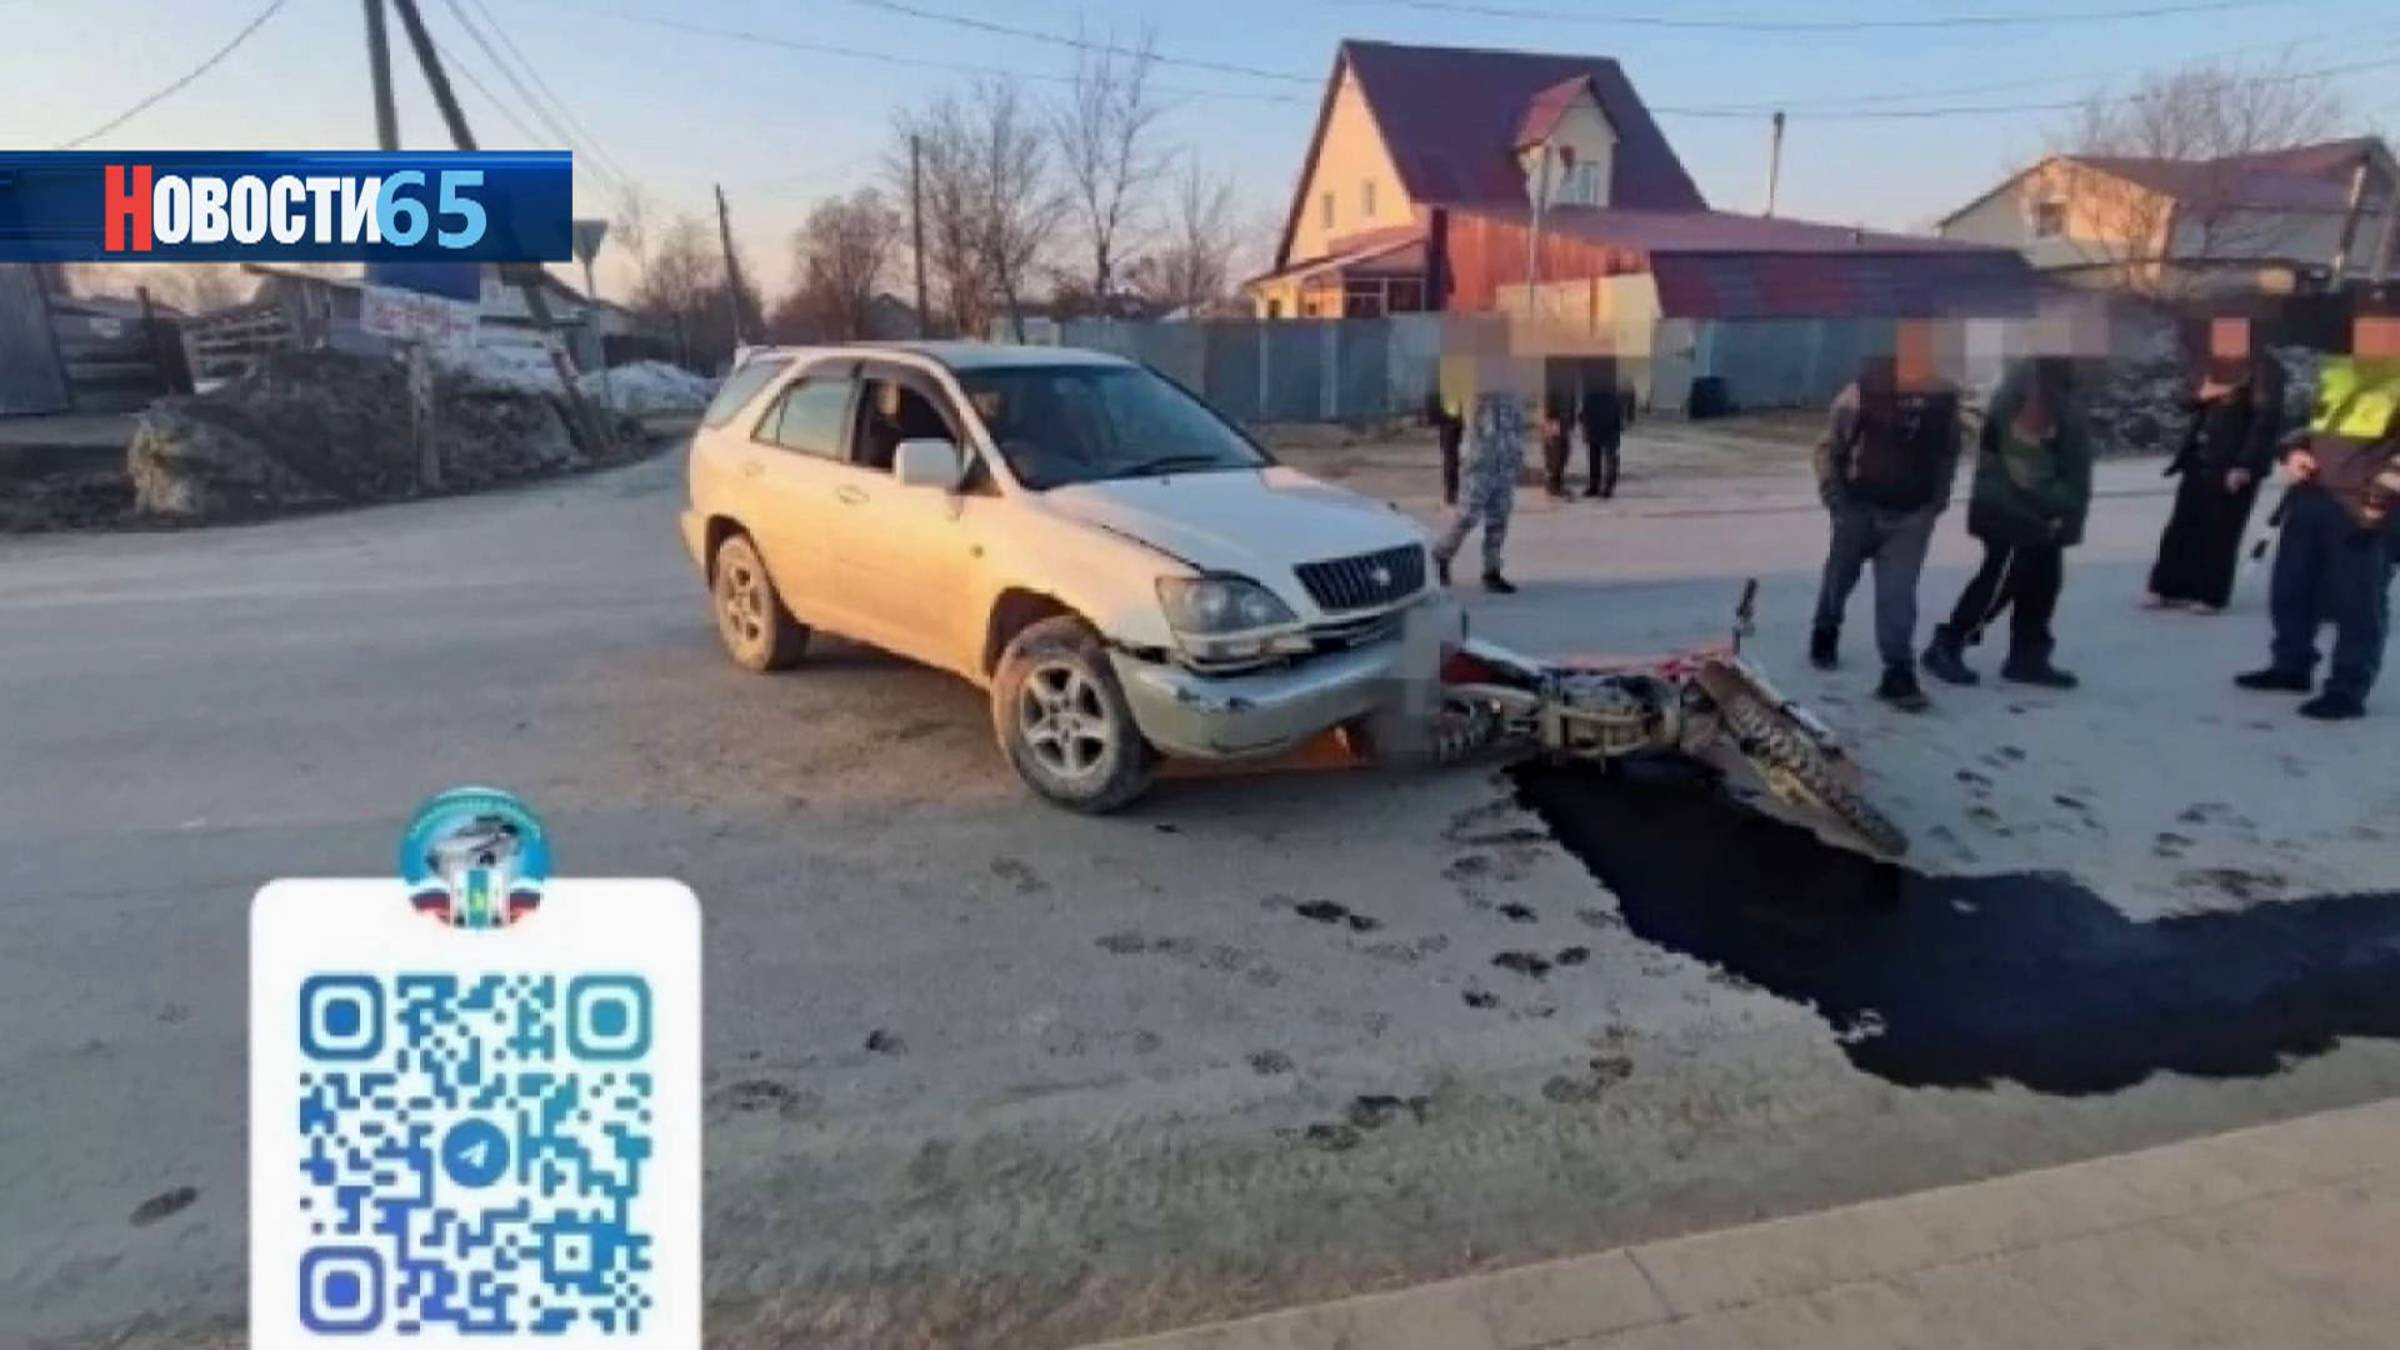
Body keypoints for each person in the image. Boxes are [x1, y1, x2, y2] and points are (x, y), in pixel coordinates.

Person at [2234, 320, 2400, 721]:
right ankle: (2291, 666)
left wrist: (2383, 492)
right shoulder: (2342, 371)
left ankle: (2348, 688)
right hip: (2313, 495)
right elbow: (2311, 427)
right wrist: (2294, 451)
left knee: (2358, 602)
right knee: (2293, 588)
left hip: (2368, 504)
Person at [1808, 340, 1964, 713]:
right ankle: (1826, 628)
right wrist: (1835, 498)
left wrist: (1935, 502)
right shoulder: (1861, 393)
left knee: (1898, 594)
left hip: (1910, 516)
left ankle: (1898, 671)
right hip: (1858, 508)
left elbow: (1949, 453)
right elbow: (1829, 448)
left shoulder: (1943, 399)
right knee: (1840, 577)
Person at [1923, 357, 2092, 690]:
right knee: (1999, 583)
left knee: (2042, 585)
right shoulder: (2031, 387)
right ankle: (1948, 643)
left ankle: (2028, 657)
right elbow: (2024, 463)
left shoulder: (2056, 383)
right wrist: (2061, 500)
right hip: (2017, 510)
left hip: (2042, 514)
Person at [2146, 321, 2283, 612]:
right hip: (2199, 455)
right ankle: (2167, 586)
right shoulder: (2212, 363)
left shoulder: (2264, 368)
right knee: (2183, 524)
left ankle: (2209, 594)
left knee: (2220, 530)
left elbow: (2265, 421)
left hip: (2234, 459)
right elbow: (2185, 399)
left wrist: (2245, 464)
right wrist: (2201, 394)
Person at [1433, 389, 1528, 594]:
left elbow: (1519, 427)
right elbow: (1452, 426)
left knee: (1499, 519)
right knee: (1468, 516)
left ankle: (1492, 571)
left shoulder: (1513, 393)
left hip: (1505, 465)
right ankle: (1441, 555)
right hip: (1479, 465)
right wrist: (1453, 472)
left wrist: (1518, 459)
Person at [1579, 378, 1633, 498]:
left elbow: (1584, 413)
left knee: (1598, 458)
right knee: (1606, 458)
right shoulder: (1611, 392)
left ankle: (1597, 485)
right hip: (1606, 428)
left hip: (1599, 427)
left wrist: (1584, 423)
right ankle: (1605, 486)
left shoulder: (1591, 391)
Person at [1425, 388, 1464, 507]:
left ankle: (1452, 494)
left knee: (1451, 458)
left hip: (1454, 418)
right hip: (1450, 419)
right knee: (1450, 458)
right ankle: (1451, 494)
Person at [1540, 385, 1575, 500]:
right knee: (1556, 455)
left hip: (1558, 422)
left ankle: (1556, 484)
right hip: (1554, 422)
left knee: (1561, 454)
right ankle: (1554, 485)